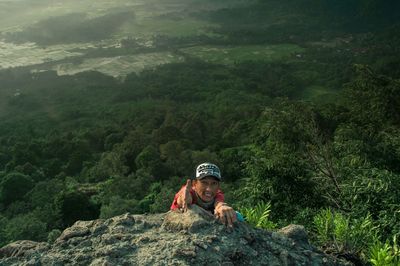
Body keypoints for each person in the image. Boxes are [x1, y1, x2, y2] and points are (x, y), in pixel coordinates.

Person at [170, 162, 238, 227]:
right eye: (204, 183)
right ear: (194, 184)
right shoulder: (188, 191)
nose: (209, 189)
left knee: (238, 215)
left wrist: (221, 207)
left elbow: (219, 203)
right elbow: (183, 198)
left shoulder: (218, 193)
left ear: (218, 186)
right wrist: (184, 199)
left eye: (214, 183)